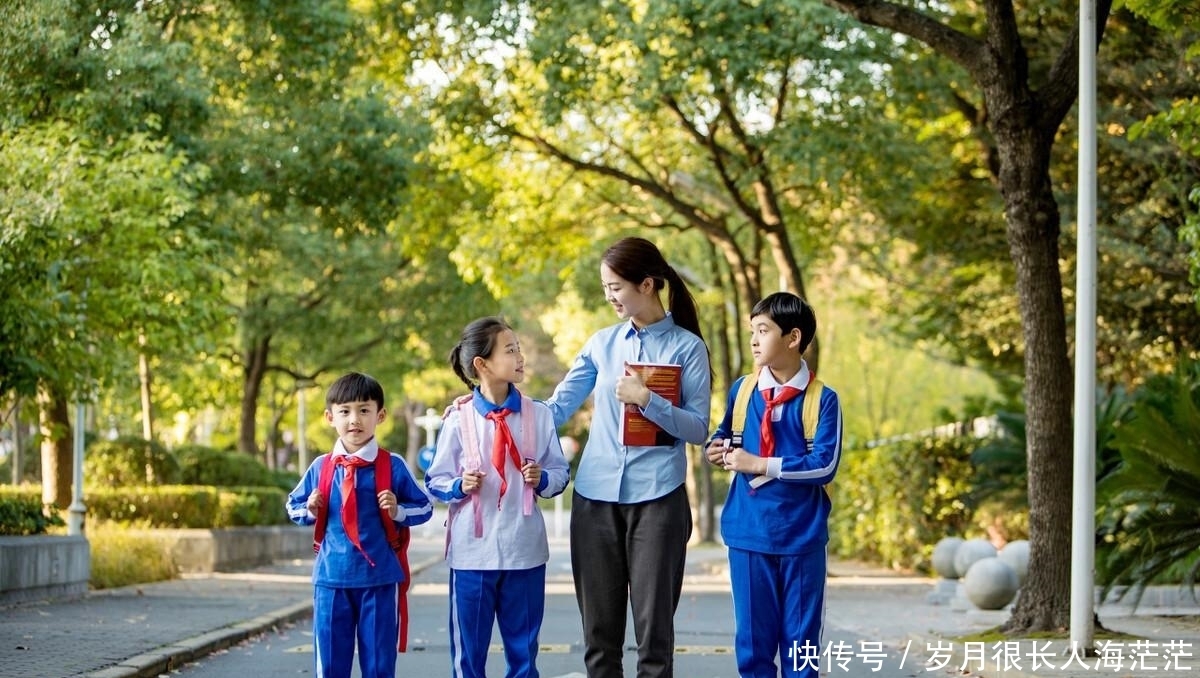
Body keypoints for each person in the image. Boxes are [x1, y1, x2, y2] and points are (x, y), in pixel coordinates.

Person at [545, 236, 712, 678]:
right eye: (605, 288)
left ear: (648, 284)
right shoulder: (601, 344)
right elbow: (556, 408)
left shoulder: (687, 348)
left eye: (616, 286)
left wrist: (647, 400)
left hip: (659, 499)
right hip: (594, 499)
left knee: (654, 636)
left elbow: (698, 428)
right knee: (599, 636)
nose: (609, 297)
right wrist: (488, 407)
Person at [704, 292, 843, 678]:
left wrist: (760, 463)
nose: (753, 340)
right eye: (752, 331)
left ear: (792, 338)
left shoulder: (822, 400)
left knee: (802, 645)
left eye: (763, 331)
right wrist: (716, 450)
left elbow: (824, 465)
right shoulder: (743, 391)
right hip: (748, 533)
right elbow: (723, 435)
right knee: (753, 643)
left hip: (801, 537)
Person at [425, 316, 571, 678]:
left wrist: (542, 479)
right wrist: (459, 485)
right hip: (472, 554)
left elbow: (560, 473)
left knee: (523, 654)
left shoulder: (539, 415)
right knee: (469, 657)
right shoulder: (458, 419)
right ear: (482, 364)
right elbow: (436, 479)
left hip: (524, 550)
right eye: (510, 350)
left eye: (519, 348)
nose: (520, 356)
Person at [286, 372, 433, 678]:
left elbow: (425, 506)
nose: (355, 419)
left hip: (379, 580)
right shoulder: (321, 467)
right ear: (330, 417)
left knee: (379, 665)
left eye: (364, 410)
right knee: (329, 664)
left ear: (380, 415)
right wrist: (310, 510)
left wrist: (398, 511)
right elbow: (293, 506)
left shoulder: (391, 465)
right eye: (345, 411)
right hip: (330, 579)